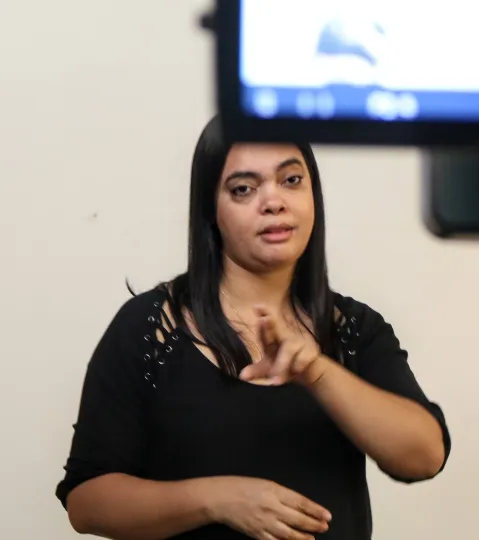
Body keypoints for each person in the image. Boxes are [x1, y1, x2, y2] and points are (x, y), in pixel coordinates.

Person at [55, 117, 451, 540]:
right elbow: (87, 503)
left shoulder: (353, 330)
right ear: (211, 211)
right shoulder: (151, 329)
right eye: (243, 189)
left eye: (291, 180)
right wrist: (217, 499)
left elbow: (424, 456)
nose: (274, 201)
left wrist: (317, 373)